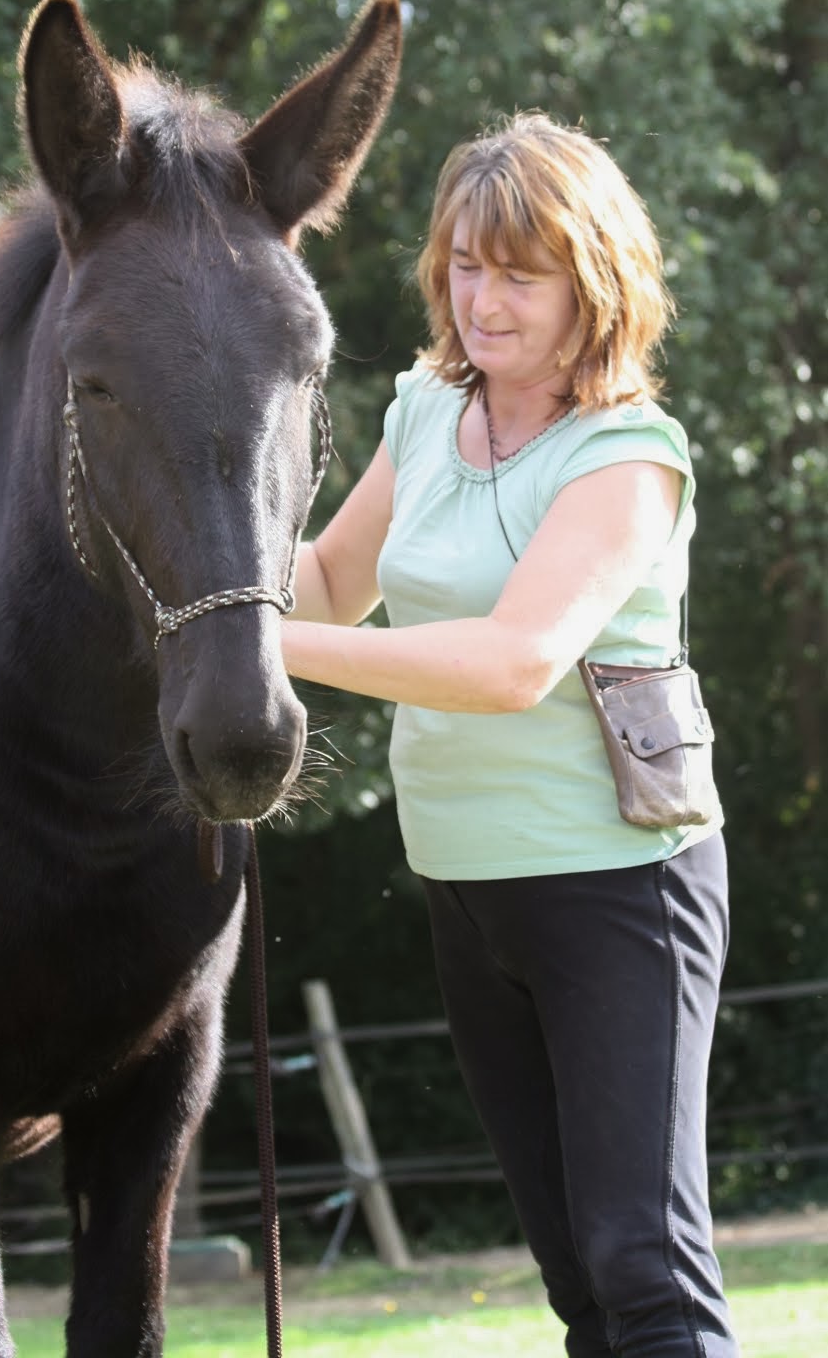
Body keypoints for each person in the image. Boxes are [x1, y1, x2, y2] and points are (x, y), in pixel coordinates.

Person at [281, 111, 736, 1357]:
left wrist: (254, 646)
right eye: (465, 265)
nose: (482, 300)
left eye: (519, 273)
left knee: (645, 1270)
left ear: (591, 284)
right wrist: (203, 591)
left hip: (620, 889)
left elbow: (512, 662)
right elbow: (325, 582)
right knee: (577, 1281)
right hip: (467, 889)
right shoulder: (429, 409)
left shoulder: (628, 455)